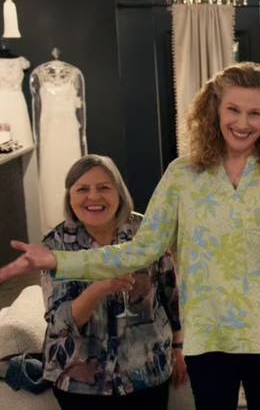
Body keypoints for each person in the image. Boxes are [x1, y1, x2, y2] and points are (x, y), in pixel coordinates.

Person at [0, 62, 260, 410]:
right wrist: (60, 258)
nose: (243, 123)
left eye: (255, 113)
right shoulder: (182, 175)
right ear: (214, 109)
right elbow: (140, 251)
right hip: (209, 340)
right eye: (233, 109)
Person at [40, 154, 185, 409]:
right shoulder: (55, 245)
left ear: (119, 193)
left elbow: (171, 294)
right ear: (70, 197)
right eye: (82, 189)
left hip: (146, 371)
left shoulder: (147, 233)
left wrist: (179, 346)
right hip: (80, 383)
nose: (93, 197)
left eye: (104, 188)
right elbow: (61, 323)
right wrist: (100, 287)